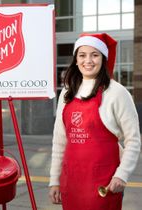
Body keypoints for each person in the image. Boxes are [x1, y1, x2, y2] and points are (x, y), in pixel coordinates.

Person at [49, 33, 141, 210]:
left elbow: (133, 140)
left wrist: (122, 175)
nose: (88, 60)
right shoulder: (67, 92)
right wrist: (54, 180)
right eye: (82, 55)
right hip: (71, 181)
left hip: (104, 182)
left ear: (103, 59)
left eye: (95, 55)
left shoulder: (117, 93)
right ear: (76, 60)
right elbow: (59, 141)